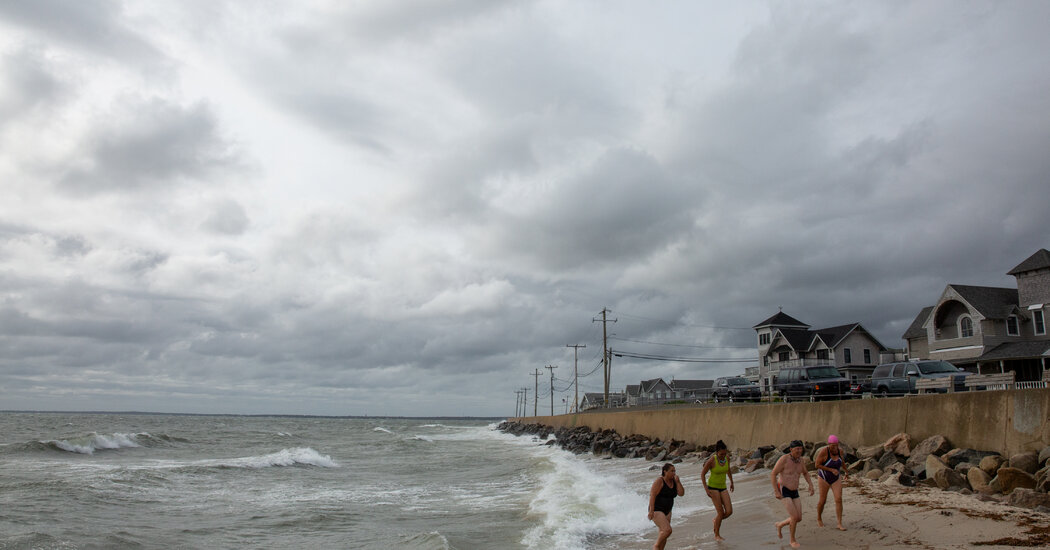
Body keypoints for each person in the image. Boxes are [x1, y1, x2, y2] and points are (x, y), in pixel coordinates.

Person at [771, 440, 815, 548]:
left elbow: (805, 473)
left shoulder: (801, 460)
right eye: (797, 449)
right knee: (794, 516)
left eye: (801, 449)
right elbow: (773, 474)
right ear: (791, 449)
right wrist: (776, 491)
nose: (799, 451)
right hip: (784, 489)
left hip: (794, 490)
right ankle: (792, 540)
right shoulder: (784, 459)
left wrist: (811, 485)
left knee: (798, 517)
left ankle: (780, 524)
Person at [701, 439, 734, 541]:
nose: (723, 456)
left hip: (722, 487)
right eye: (721, 454)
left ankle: (716, 521)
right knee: (720, 512)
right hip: (713, 488)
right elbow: (702, 475)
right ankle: (717, 535)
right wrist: (706, 489)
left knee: (729, 511)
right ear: (716, 452)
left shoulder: (727, 459)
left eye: (724, 454)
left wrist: (732, 482)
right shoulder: (711, 460)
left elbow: (728, 470)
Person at [815, 434, 848, 531]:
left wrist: (846, 471)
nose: (834, 447)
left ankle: (839, 523)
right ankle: (819, 518)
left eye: (836, 445)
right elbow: (817, 465)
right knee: (822, 501)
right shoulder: (824, 452)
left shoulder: (840, 451)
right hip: (824, 478)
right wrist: (830, 469)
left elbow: (842, 462)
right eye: (832, 445)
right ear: (828, 444)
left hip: (836, 478)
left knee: (838, 499)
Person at [648, 462, 684, 550]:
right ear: (665, 471)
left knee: (664, 534)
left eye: (674, 471)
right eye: (672, 471)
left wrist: (678, 482)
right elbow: (652, 495)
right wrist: (651, 511)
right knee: (667, 530)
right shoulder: (660, 481)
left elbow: (681, 493)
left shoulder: (674, 481)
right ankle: (656, 546)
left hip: (668, 510)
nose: (674, 473)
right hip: (656, 509)